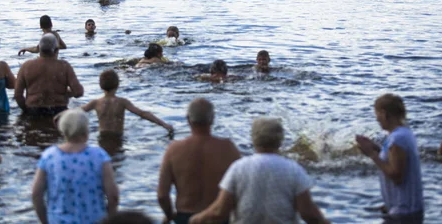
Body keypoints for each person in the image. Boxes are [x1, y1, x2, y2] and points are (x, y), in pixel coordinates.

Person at [189, 118, 329, 224]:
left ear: (254, 139)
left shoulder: (238, 168)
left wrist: (196, 219)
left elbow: (219, 212)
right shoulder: (294, 169)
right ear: (280, 141)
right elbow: (309, 214)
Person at [158, 98, 241, 224]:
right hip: (218, 218)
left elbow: (162, 195)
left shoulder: (174, 150)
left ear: (188, 119)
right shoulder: (228, 148)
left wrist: (169, 215)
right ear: (212, 119)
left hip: (186, 218)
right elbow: (241, 189)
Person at [32, 108, 119, 224]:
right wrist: (108, 219)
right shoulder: (99, 155)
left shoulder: (49, 156)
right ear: (85, 130)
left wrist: (45, 221)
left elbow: (36, 194)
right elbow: (113, 196)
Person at [356, 94, 424, 223]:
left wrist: (372, 155)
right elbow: (397, 161)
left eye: (377, 114)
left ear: (384, 114)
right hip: (405, 209)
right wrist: (376, 148)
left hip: (404, 213)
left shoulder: (397, 139)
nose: (376, 119)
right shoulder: (403, 133)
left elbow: (397, 176)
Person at [81, 69, 173, 136]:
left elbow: (74, 112)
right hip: (118, 136)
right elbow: (143, 114)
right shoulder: (122, 102)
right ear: (118, 85)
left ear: (100, 86)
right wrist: (164, 125)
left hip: (102, 136)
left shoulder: (95, 103)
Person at [15, 34, 84, 116]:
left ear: (39, 49)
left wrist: (26, 110)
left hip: (33, 110)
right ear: (57, 50)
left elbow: (18, 95)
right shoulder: (64, 66)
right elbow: (78, 92)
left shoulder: (26, 66)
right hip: (59, 110)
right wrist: (65, 92)